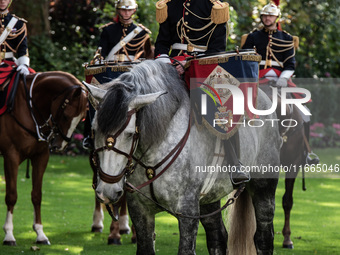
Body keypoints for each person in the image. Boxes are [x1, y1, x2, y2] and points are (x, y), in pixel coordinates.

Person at [154, 0, 250, 186]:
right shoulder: (169, 5)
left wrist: (189, 63)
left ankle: (234, 163)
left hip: (204, 64)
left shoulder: (215, 8)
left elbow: (217, 49)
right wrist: (167, 61)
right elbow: (162, 44)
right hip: (172, 64)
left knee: (225, 106)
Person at [241, 3, 319, 165]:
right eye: (264, 16)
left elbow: (290, 65)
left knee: (305, 113)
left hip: (281, 80)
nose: (267, 18)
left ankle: (305, 153)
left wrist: (283, 78)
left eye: (270, 16)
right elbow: (245, 60)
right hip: (257, 79)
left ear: (277, 18)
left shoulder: (287, 38)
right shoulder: (252, 37)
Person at [83, 0, 152, 149]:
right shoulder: (108, 30)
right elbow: (101, 54)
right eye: (123, 10)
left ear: (134, 11)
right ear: (118, 11)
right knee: (94, 98)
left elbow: (146, 57)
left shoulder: (142, 33)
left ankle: (144, 132)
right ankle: (90, 135)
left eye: (129, 10)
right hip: (110, 72)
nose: (126, 13)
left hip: (133, 73)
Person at [0, 0, 30, 75]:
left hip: (10, 64)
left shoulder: (18, 23)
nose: (2, 1)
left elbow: (22, 47)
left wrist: (23, 64)